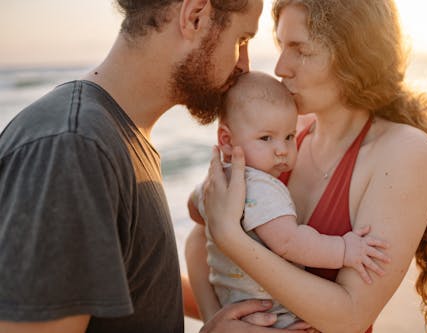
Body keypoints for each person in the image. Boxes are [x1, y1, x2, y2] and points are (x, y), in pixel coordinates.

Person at [0, 1, 309, 332]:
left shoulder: (115, 134)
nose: (245, 66)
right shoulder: (74, 147)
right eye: (241, 40)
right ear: (195, 17)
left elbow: (129, 282)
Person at [191, 0, 427, 332]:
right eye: (281, 46)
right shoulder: (283, 139)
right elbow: (200, 236)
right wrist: (217, 323)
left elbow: (350, 316)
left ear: (353, 55)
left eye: (300, 50)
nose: (280, 67)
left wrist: (232, 239)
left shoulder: (403, 150)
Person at [186, 71, 390, 328]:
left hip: (234, 308)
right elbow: (289, 242)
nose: (281, 149)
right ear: (225, 140)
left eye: (289, 137)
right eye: (266, 138)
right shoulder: (262, 188)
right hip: (274, 317)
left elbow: (194, 210)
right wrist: (344, 250)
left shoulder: (215, 183)